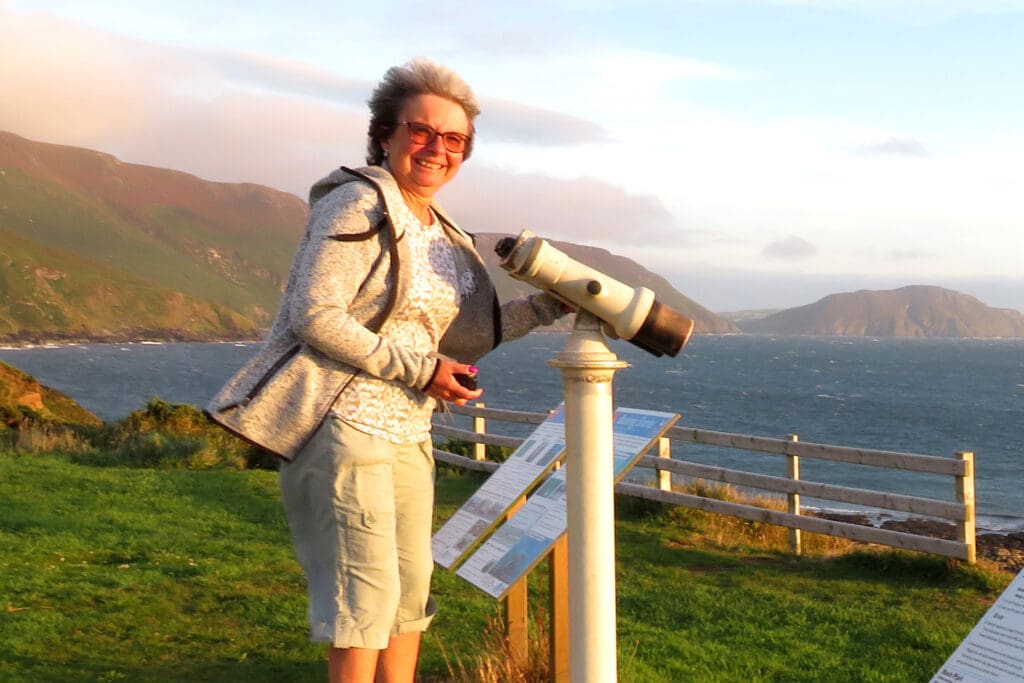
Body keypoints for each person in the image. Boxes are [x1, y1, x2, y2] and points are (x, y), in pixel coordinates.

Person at [206, 57, 566, 682]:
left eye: (453, 139)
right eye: (420, 130)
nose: (436, 148)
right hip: (346, 426)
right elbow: (314, 314)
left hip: (408, 432)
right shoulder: (358, 201)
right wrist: (421, 369)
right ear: (385, 135)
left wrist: (553, 303)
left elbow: (465, 334)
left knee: (408, 600)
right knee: (363, 602)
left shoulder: (444, 231)